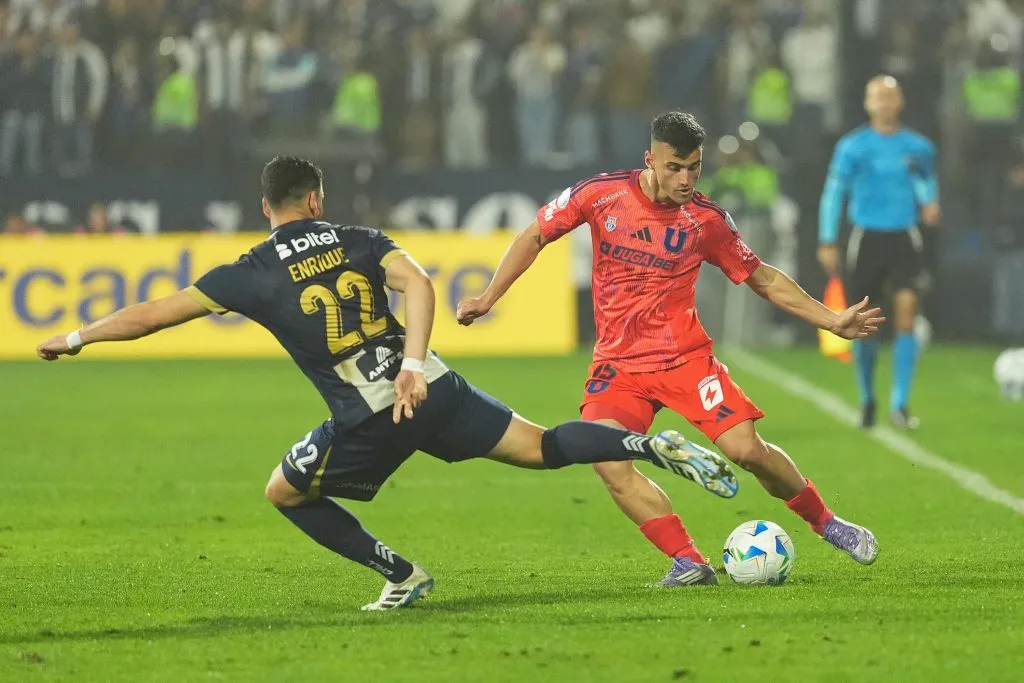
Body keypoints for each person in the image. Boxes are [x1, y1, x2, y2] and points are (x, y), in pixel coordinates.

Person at [36, 156, 737, 610]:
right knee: (548, 445)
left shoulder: (248, 271)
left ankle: (400, 573)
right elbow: (419, 284)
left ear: (267, 207)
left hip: (370, 414)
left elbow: (154, 315)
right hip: (431, 384)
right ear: (316, 198)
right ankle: (645, 447)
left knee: (284, 490)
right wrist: (412, 361)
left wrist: (76, 337)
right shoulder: (358, 237)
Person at [457, 112, 884, 586]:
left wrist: (832, 319)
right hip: (619, 366)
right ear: (651, 159)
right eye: (675, 167)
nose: (685, 179)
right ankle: (689, 561)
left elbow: (761, 277)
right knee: (608, 462)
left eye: (694, 168)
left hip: (684, 360)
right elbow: (535, 234)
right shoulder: (600, 196)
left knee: (745, 449)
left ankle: (827, 522)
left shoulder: (706, 221)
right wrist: (487, 298)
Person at [818, 76, 941, 429]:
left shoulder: (918, 147)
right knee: (865, 324)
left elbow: (926, 182)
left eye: (890, 97)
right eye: (878, 97)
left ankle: (900, 403)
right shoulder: (852, 147)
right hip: (867, 237)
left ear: (900, 102)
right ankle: (868, 398)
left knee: (906, 317)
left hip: (904, 236)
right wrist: (827, 239)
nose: (884, 103)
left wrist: (930, 204)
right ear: (868, 104)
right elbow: (833, 193)